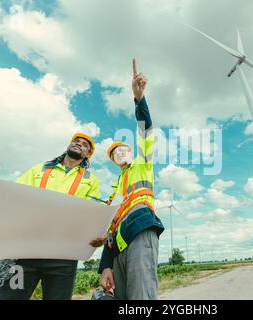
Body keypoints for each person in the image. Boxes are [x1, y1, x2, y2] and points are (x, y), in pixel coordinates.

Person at [0, 133, 104, 300]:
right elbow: (12, 197)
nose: (79, 143)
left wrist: (98, 235)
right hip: (24, 252)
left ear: (87, 154)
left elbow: (92, 214)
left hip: (64, 256)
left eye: (84, 144)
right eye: (76, 141)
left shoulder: (91, 180)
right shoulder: (40, 169)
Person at [98, 59, 164, 300]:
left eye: (123, 149)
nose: (119, 153)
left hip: (140, 231)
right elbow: (109, 227)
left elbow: (146, 130)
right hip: (118, 246)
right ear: (114, 161)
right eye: (115, 153)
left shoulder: (143, 163)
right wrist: (105, 264)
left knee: (142, 299)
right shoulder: (115, 190)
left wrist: (139, 99)